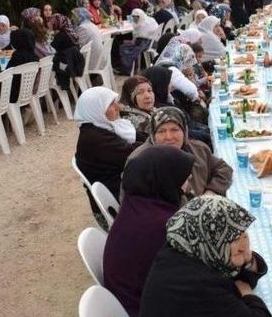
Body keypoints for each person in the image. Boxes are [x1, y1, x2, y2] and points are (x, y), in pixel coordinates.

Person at [129, 195, 272, 317]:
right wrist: (248, 294)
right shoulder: (193, 285)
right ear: (210, 237)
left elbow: (235, 273)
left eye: (243, 235)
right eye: (234, 238)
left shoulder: (188, 248)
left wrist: (247, 259)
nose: (242, 244)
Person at [103, 145, 195, 317]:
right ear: (165, 179)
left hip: (133, 301)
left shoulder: (138, 203)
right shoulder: (161, 225)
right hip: (145, 316)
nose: (188, 185)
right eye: (184, 179)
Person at [127, 107, 231, 197]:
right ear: (153, 135)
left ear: (184, 132)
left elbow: (223, 168)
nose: (168, 137)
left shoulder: (198, 149)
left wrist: (211, 191)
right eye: (161, 131)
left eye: (174, 130)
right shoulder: (139, 161)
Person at [74, 86, 138, 230]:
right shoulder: (95, 139)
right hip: (118, 202)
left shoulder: (98, 127)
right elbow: (133, 157)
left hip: (118, 186)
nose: (117, 107)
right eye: (110, 104)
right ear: (95, 109)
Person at [7, 29, 40, 103]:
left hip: (14, 94)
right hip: (28, 91)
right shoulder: (34, 56)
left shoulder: (18, 56)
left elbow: (7, 72)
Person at [119, 75, 156, 140]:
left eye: (149, 90)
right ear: (130, 97)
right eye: (140, 92)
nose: (147, 96)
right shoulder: (130, 120)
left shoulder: (153, 110)